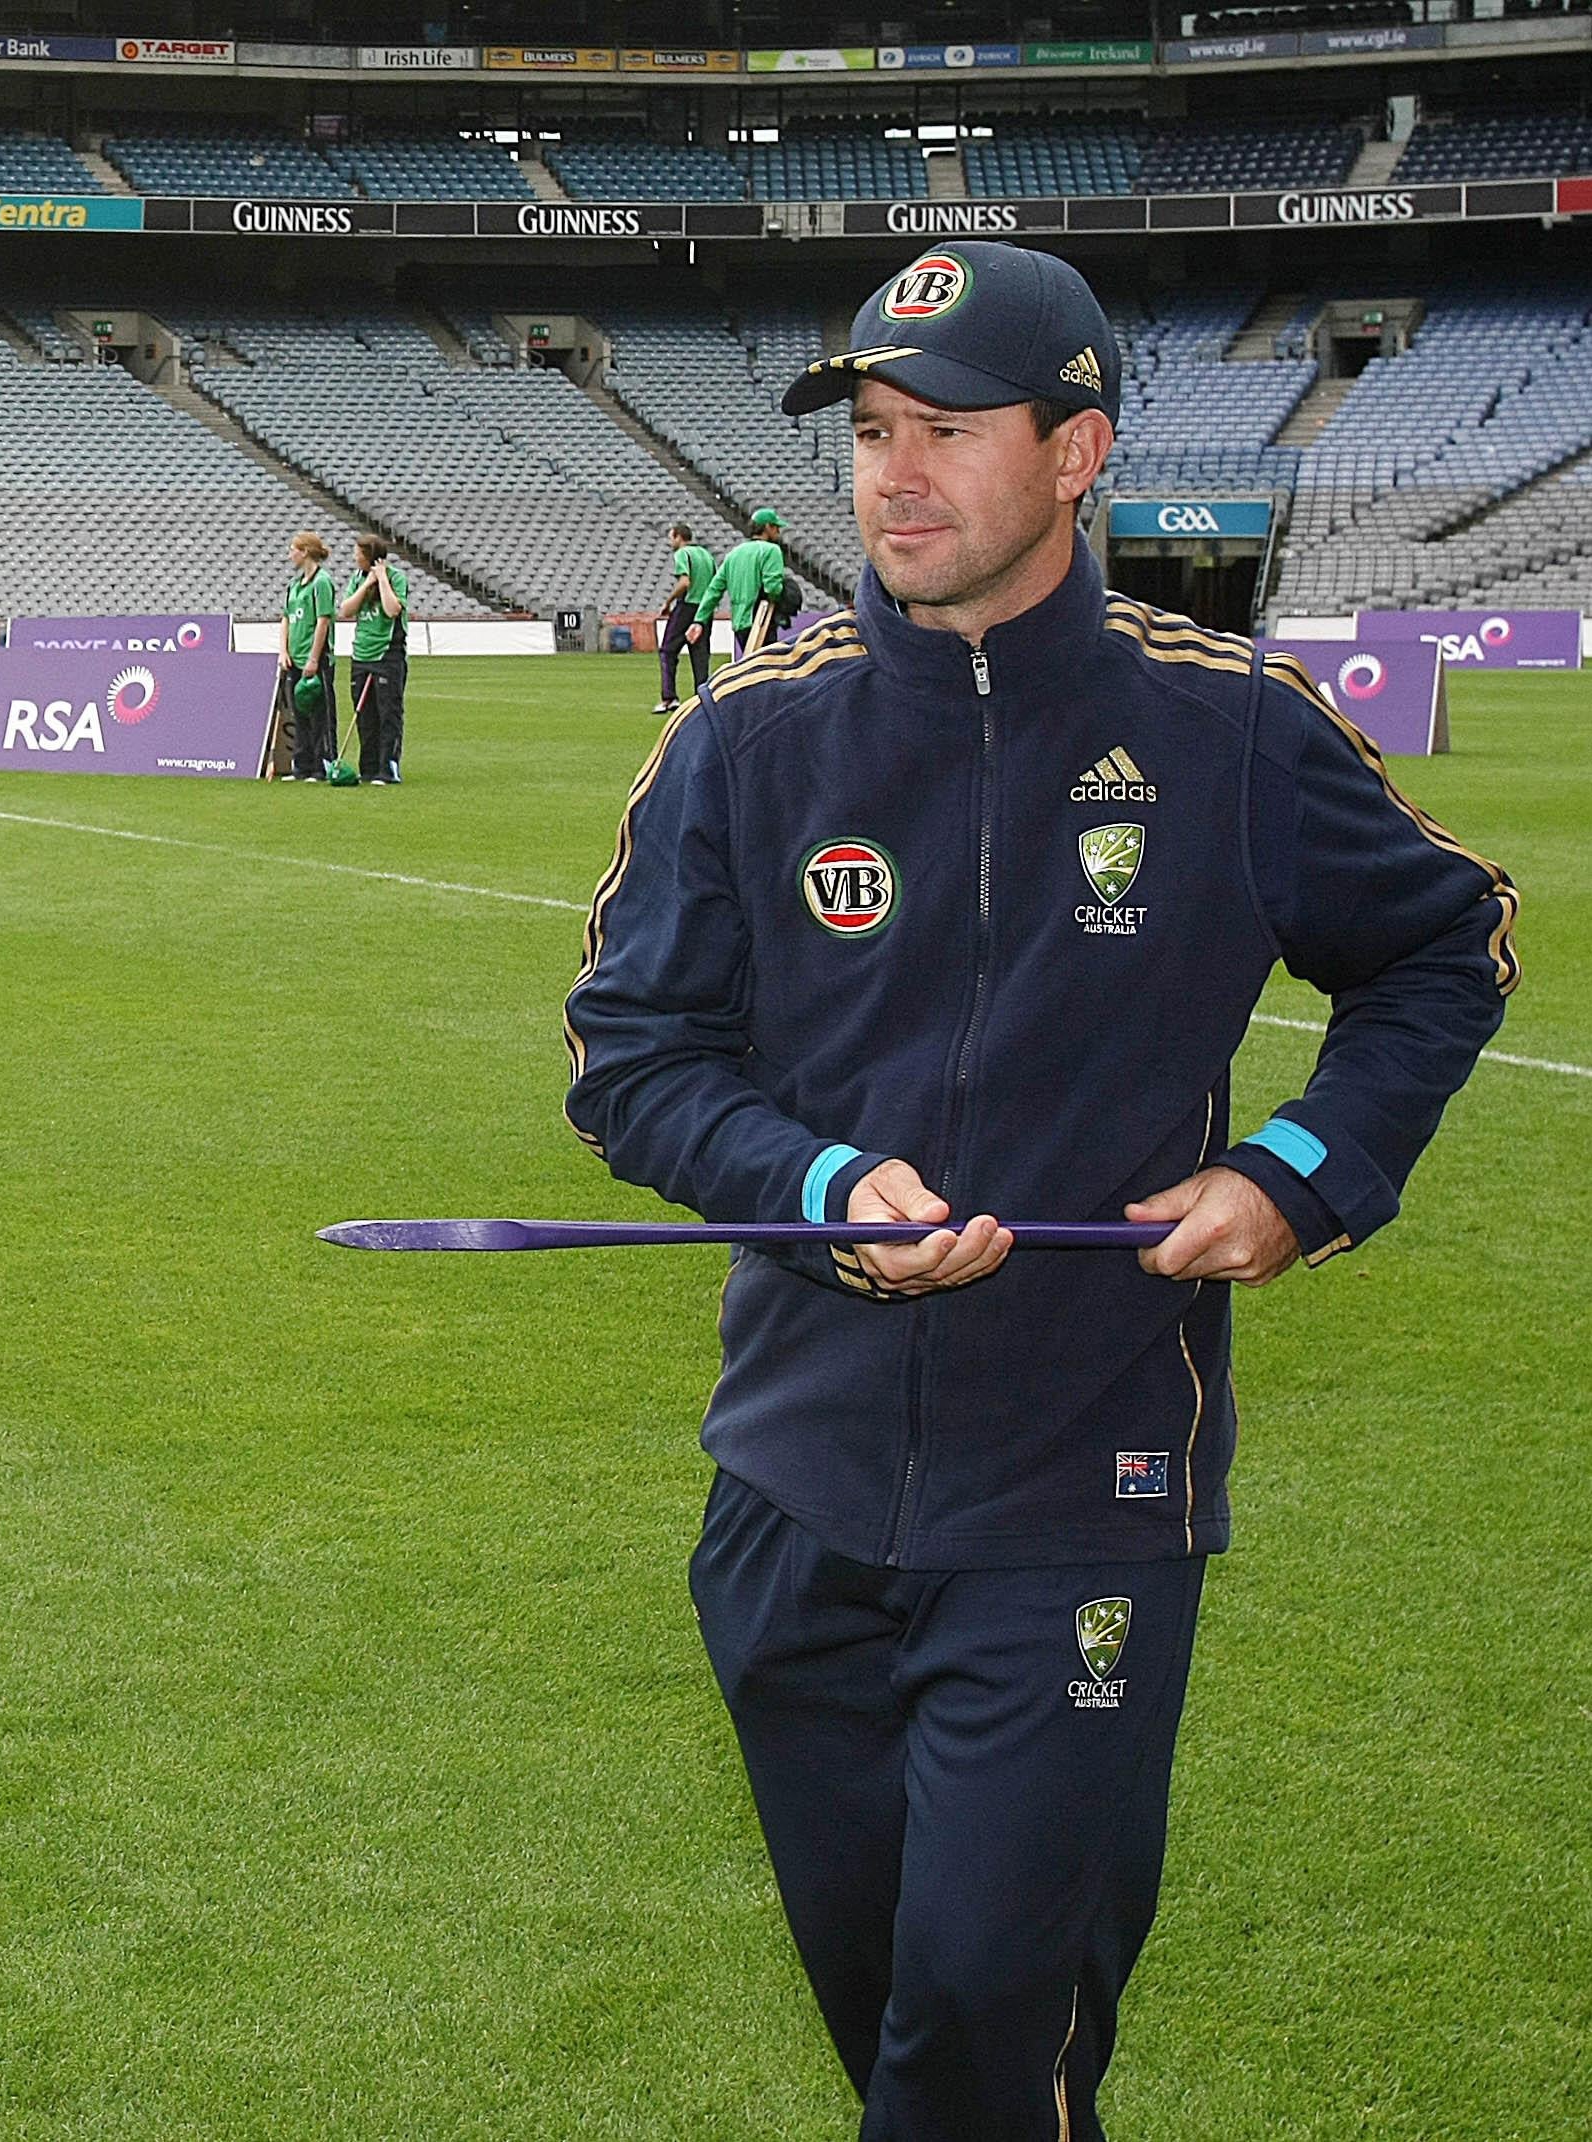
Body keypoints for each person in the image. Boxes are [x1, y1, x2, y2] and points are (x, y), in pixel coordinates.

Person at [563, 241, 1515, 2140]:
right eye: (865, 433)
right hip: (790, 1494)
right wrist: (818, 1181)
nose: (886, 476)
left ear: (1075, 452)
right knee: (897, 2019)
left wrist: (1297, 1169)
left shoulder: (1224, 725)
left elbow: (1443, 943)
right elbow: (632, 1060)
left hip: (1082, 1497)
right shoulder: (746, 737)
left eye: (940, 432)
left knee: (978, 2027)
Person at [337, 532, 411, 785]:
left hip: (387, 655)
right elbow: (346, 610)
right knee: (365, 716)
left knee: (388, 713)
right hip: (361, 653)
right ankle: (367, 768)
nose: (355, 557)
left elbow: (392, 610)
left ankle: (387, 768)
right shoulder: (357, 578)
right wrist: (366, 585)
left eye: (358, 553)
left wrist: (381, 581)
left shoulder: (396, 578)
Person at [273, 531, 340, 782]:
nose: (290, 554)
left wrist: (314, 658)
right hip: (295, 658)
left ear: (305, 551)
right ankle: (301, 765)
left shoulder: (321, 583)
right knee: (299, 714)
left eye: (293, 549)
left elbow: (323, 621)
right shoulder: (294, 585)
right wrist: (284, 650)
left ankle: (322, 765)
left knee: (320, 716)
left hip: (315, 661)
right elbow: (286, 618)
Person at [708, 506, 789, 664]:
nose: (778, 531)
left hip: (740, 621)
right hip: (761, 619)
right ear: (767, 527)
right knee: (767, 670)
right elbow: (772, 588)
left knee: (750, 667)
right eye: (776, 527)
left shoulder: (734, 554)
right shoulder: (771, 550)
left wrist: (699, 620)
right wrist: (781, 596)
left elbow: (714, 589)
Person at [656, 521, 715, 713]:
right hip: (704, 609)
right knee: (700, 654)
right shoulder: (706, 555)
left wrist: (668, 602)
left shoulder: (683, 554)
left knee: (668, 650)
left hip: (687, 606)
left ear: (678, 537)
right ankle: (703, 700)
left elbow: (685, 581)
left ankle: (669, 697)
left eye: (671, 538)